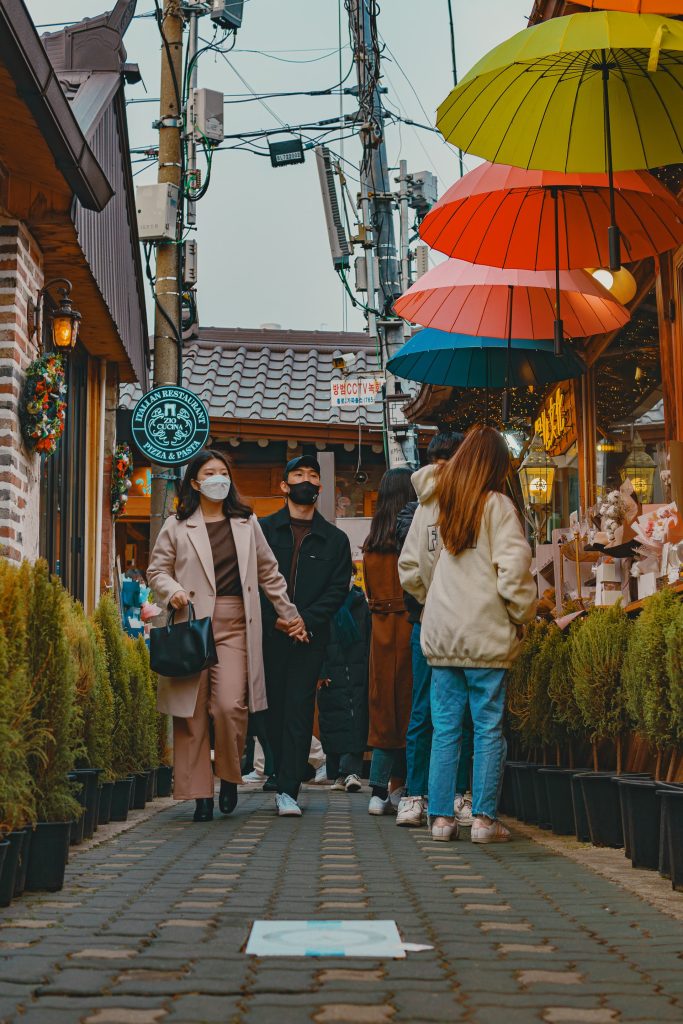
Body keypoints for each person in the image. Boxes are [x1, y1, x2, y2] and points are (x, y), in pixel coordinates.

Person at [147, 449, 306, 823]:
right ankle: (199, 793)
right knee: (192, 711)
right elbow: (157, 571)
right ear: (196, 482)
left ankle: (229, 776)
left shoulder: (247, 522)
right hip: (191, 623)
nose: (219, 478)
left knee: (229, 706)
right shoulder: (177, 524)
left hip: (237, 623)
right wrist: (172, 591)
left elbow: (269, 573)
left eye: (224, 472)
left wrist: (290, 615)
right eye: (210, 472)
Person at [400, 426, 536, 843]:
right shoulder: (498, 505)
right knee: (488, 727)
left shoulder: (432, 503)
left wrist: (435, 599)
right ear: (496, 465)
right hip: (485, 632)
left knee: (445, 728)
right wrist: (520, 615)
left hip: (442, 633)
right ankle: (483, 820)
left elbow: (410, 568)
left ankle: (440, 820)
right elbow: (513, 574)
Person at [259, 455, 352, 816]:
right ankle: (280, 769)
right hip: (267, 634)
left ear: (321, 487)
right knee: (267, 710)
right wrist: (279, 619)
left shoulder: (335, 539)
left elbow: (337, 589)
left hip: (309, 637)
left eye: (313, 475)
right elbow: (251, 581)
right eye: (298, 475)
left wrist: (303, 622)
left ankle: (288, 788)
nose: (306, 480)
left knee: (298, 707)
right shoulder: (263, 531)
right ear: (283, 486)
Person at [395, 430, 475, 829]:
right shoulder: (415, 510)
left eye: (453, 457)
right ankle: (415, 794)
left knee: (464, 714)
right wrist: (433, 602)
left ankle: (460, 794)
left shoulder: (479, 504)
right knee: (424, 710)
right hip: (426, 622)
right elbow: (408, 567)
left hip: (469, 622)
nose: (444, 465)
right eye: (438, 458)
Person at [363, 468, 416, 816]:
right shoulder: (409, 537)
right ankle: (404, 787)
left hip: (380, 629)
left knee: (383, 710)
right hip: (411, 624)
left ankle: (379, 789)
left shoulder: (372, 543)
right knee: (413, 709)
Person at [317, 579, 371, 793]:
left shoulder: (360, 604)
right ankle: (338, 773)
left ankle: (351, 771)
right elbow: (318, 640)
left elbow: (368, 638)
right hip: (332, 671)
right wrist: (320, 671)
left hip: (357, 669)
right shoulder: (325, 603)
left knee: (356, 717)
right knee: (333, 718)